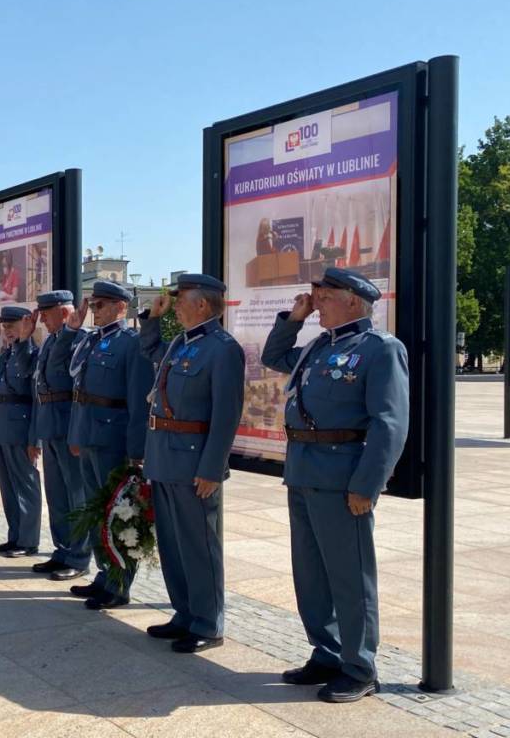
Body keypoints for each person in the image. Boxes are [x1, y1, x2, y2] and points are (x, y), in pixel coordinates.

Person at [261, 266, 409, 703]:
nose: (316, 301)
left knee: (349, 575)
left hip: (343, 477)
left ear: (351, 300)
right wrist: (294, 318)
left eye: (324, 296)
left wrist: (367, 484)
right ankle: (326, 652)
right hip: (304, 471)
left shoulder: (380, 349)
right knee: (311, 573)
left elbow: (390, 422)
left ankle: (360, 666)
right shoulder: (317, 348)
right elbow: (273, 356)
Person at [140, 274, 245, 654]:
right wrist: (152, 317)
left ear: (203, 304)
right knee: (173, 544)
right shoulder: (181, 345)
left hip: (194, 462)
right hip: (165, 457)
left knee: (199, 545)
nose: (176, 304)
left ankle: (207, 621)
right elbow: (148, 349)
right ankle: (184, 612)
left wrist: (212, 468)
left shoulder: (222, 349)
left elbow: (226, 414)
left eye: (181, 298)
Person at [61, 280, 153, 610]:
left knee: (118, 513)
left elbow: (138, 402)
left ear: (121, 307)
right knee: (96, 512)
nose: (94, 311)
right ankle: (104, 574)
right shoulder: (90, 341)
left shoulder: (132, 343)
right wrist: (75, 434)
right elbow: (76, 390)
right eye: (93, 304)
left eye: (100, 305)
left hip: (113, 439)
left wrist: (136, 450)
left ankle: (120, 583)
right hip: (88, 434)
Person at [28, 291, 92, 581]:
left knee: (75, 494)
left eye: (47, 311)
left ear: (65, 313)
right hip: (49, 424)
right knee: (56, 495)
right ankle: (62, 549)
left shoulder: (79, 338)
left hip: (67, 425)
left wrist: (70, 332)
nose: (41, 317)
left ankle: (79, 556)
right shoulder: (50, 340)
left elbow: (72, 373)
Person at [0, 307, 42, 558]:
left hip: (20, 426)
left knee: (25, 485)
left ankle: (28, 540)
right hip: (0, 424)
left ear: (26, 325)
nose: (8, 330)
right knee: (8, 487)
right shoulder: (5, 354)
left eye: (13, 325)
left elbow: (34, 393)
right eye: (5, 326)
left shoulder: (30, 352)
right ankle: (15, 535)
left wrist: (34, 438)